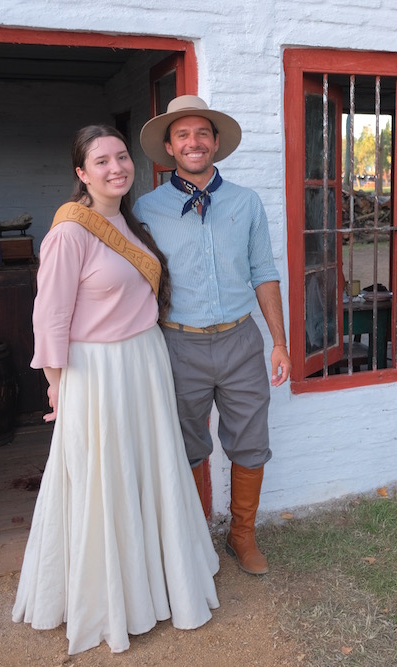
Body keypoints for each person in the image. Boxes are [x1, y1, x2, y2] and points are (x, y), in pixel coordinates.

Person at [12, 125, 219, 655]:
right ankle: (111, 599)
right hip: (97, 372)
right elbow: (50, 316)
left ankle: (160, 581)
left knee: (146, 471)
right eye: (101, 161)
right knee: (105, 479)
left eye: (122, 157)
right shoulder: (70, 231)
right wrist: (56, 387)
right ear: (81, 173)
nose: (115, 168)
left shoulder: (128, 221)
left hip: (143, 362)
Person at [134, 95, 290, 576]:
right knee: (184, 444)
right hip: (179, 344)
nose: (193, 141)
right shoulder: (146, 207)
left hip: (242, 341)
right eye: (182, 134)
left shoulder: (246, 202)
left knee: (250, 440)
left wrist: (279, 342)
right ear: (169, 147)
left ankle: (241, 534)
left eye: (202, 133)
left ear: (216, 143)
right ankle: (191, 538)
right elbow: (137, 280)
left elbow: (264, 271)